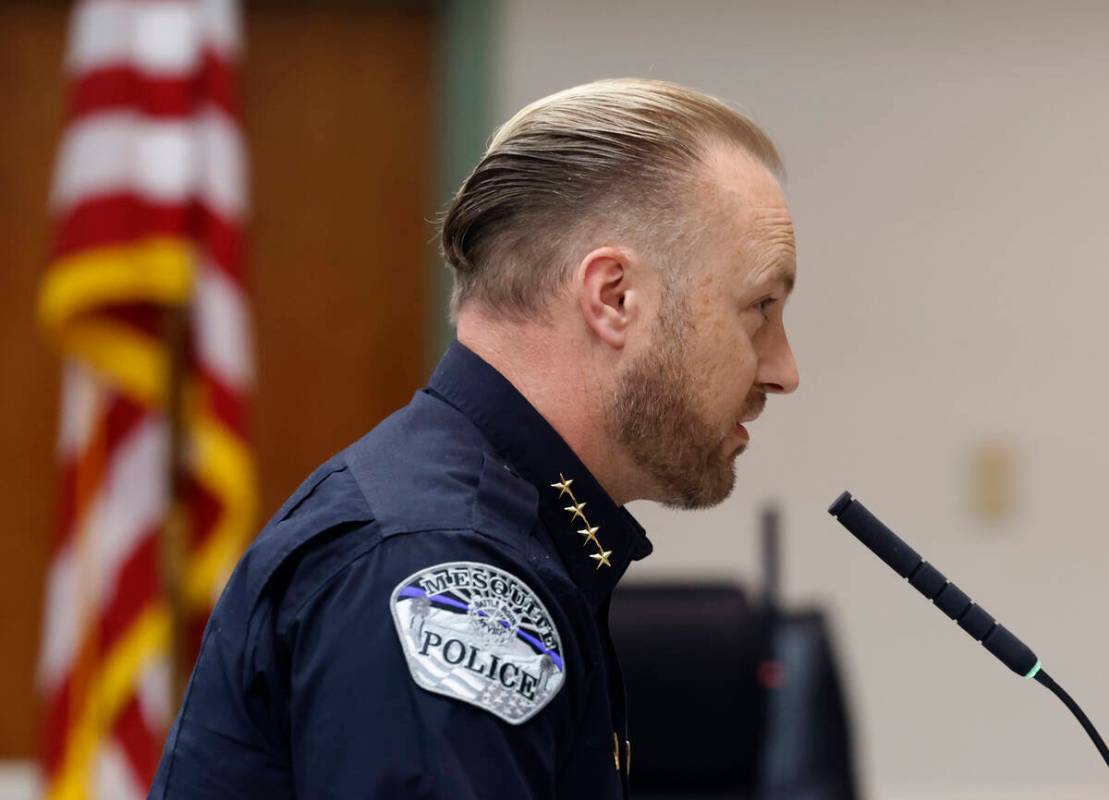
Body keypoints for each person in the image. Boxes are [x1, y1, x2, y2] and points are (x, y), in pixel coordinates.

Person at [149, 77, 799, 799]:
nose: (782, 369)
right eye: (759, 307)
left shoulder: (494, 534)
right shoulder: (440, 564)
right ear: (614, 298)